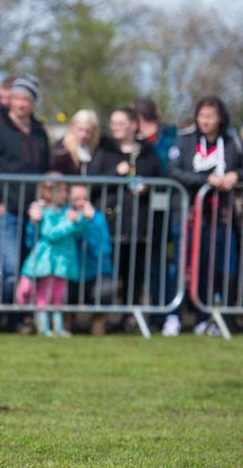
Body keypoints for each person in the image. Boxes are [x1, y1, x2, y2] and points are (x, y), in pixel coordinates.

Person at [0, 74, 50, 312]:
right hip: (5, 209)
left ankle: (17, 317)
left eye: (25, 98)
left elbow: (45, 168)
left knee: (28, 266)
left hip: (33, 210)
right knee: (9, 266)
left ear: (33, 102)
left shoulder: (39, 132)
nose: (20, 103)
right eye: (16, 97)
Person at [166, 95, 242, 336]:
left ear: (220, 118)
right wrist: (204, 180)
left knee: (211, 268)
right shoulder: (185, 139)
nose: (205, 121)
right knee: (181, 266)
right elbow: (173, 170)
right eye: (202, 116)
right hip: (187, 215)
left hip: (219, 217)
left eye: (210, 116)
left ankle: (204, 318)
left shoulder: (230, 141)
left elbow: (240, 167)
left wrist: (235, 176)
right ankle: (174, 316)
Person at [89, 107, 160, 318]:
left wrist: (148, 187)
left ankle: (130, 316)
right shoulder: (105, 150)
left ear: (133, 125)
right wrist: (115, 173)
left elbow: (159, 178)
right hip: (110, 223)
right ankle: (103, 318)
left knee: (135, 273)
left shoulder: (147, 152)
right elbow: (92, 181)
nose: (115, 127)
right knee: (109, 273)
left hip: (139, 224)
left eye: (120, 123)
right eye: (113, 123)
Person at [20, 178, 84, 336]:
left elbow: (79, 232)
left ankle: (58, 327)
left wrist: (79, 220)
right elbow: (51, 233)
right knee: (44, 296)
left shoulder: (66, 211)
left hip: (63, 262)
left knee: (58, 297)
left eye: (65, 190)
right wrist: (70, 222)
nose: (63, 194)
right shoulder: (44, 212)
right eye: (59, 190)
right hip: (47, 261)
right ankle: (43, 327)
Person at [66, 184, 113, 336]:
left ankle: (97, 326)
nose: (80, 203)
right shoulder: (63, 217)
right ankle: (64, 327)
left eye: (84, 199)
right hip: (69, 274)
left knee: (106, 290)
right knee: (59, 291)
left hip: (94, 275)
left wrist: (90, 223)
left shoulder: (97, 218)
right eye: (76, 199)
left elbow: (103, 250)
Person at [50, 109, 100, 176]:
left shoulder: (97, 148)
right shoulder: (61, 149)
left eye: (88, 131)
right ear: (73, 127)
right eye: (80, 129)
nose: (83, 135)